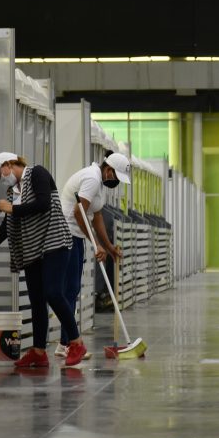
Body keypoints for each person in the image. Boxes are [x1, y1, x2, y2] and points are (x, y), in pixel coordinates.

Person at [0, 152, 88, 367]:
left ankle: (76, 342)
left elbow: (44, 203)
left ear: (9, 164)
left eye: (1, 173)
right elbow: (9, 223)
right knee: (37, 299)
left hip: (55, 242)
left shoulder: (38, 173)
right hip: (32, 249)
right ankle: (38, 351)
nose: (1, 179)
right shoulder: (13, 192)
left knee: (54, 293)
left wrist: (13, 208)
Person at [56, 151, 131, 358]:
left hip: (76, 235)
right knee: (69, 290)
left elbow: (96, 217)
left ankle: (65, 343)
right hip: (66, 234)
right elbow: (79, 212)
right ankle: (67, 343)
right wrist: (96, 245)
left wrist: (108, 247)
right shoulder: (91, 178)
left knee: (72, 290)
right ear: (108, 170)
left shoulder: (99, 184)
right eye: (116, 177)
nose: (116, 182)